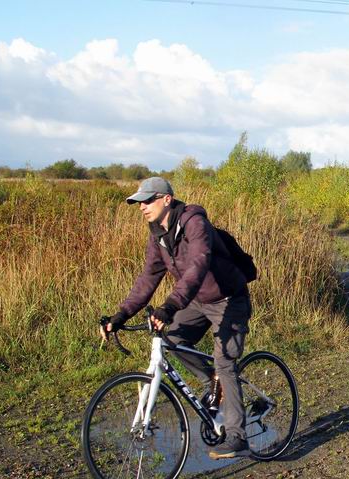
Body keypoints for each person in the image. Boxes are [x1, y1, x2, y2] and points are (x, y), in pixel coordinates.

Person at [100, 176, 252, 459]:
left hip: (229, 300)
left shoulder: (194, 222)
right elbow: (148, 278)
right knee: (171, 339)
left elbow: (198, 265)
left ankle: (237, 437)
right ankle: (212, 382)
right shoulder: (157, 234)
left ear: (166, 199)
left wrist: (169, 306)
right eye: (139, 203)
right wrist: (121, 314)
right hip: (196, 301)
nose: (142, 207)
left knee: (225, 361)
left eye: (147, 201)